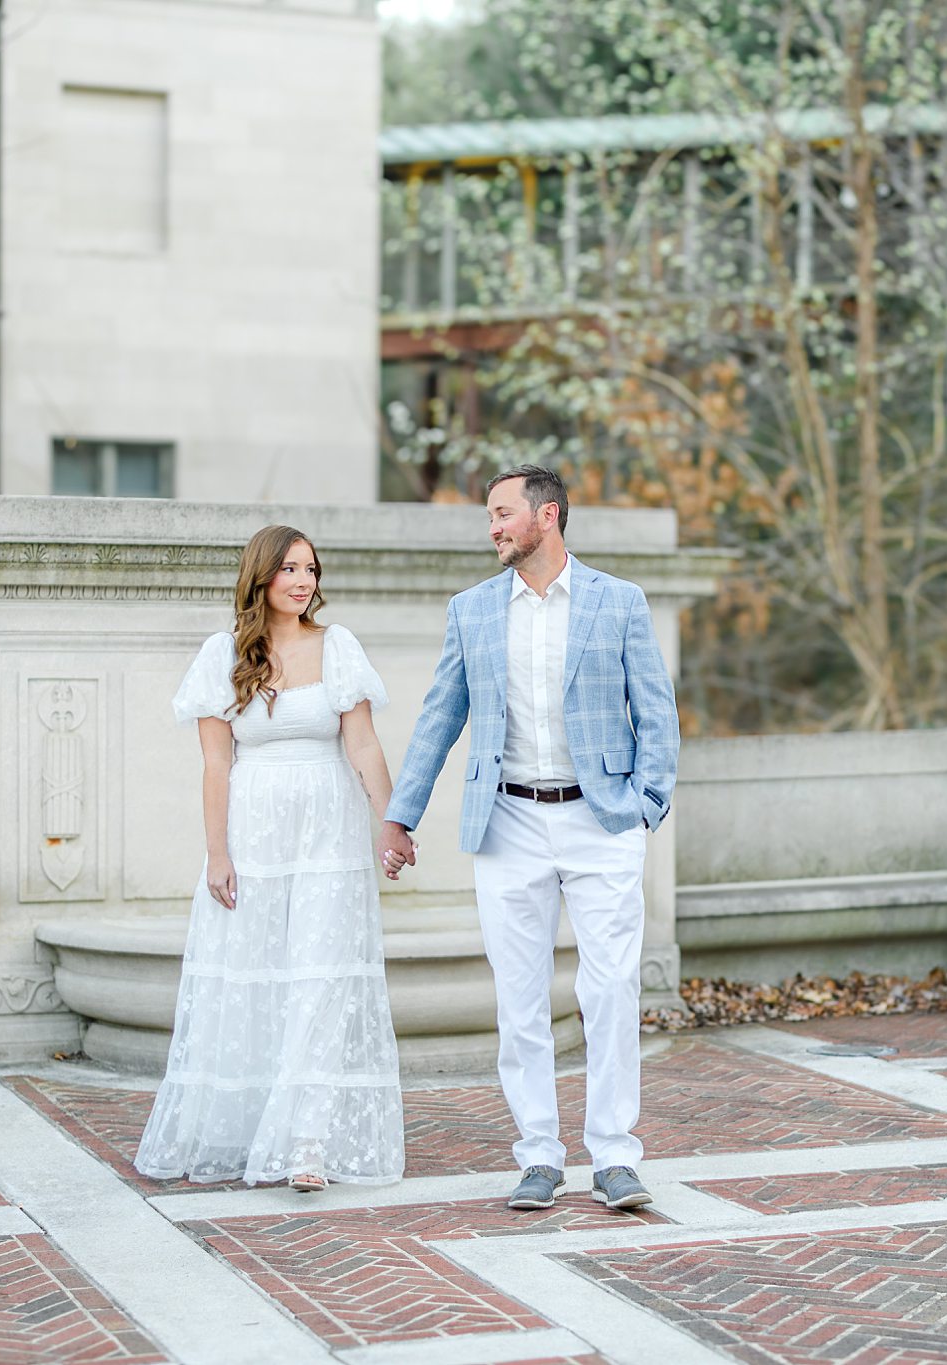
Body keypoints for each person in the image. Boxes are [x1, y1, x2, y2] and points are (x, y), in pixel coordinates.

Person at [378, 465, 679, 1213]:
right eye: (491, 517)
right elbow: (439, 717)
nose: (494, 528)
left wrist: (645, 804)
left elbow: (659, 713)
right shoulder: (473, 610)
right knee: (520, 997)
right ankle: (539, 1154)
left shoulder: (619, 602)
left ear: (548, 516)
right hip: (507, 820)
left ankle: (614, 1156)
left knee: (608, 988)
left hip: (601, 819)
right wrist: (400, 814)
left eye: (503, 514)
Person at [135, 524, 405, 1191]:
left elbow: (364, 746)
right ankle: (255, 1123)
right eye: (289, 568)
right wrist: (217, 853)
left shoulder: (337, 647)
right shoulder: (220, 655)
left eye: (311, 568)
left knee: (321, 979)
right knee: (250, 976)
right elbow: (215, 763)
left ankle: (308, 1141)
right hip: (254, 833)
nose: (303, 580)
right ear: (262, 575)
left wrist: (392, 822)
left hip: (329, 834)